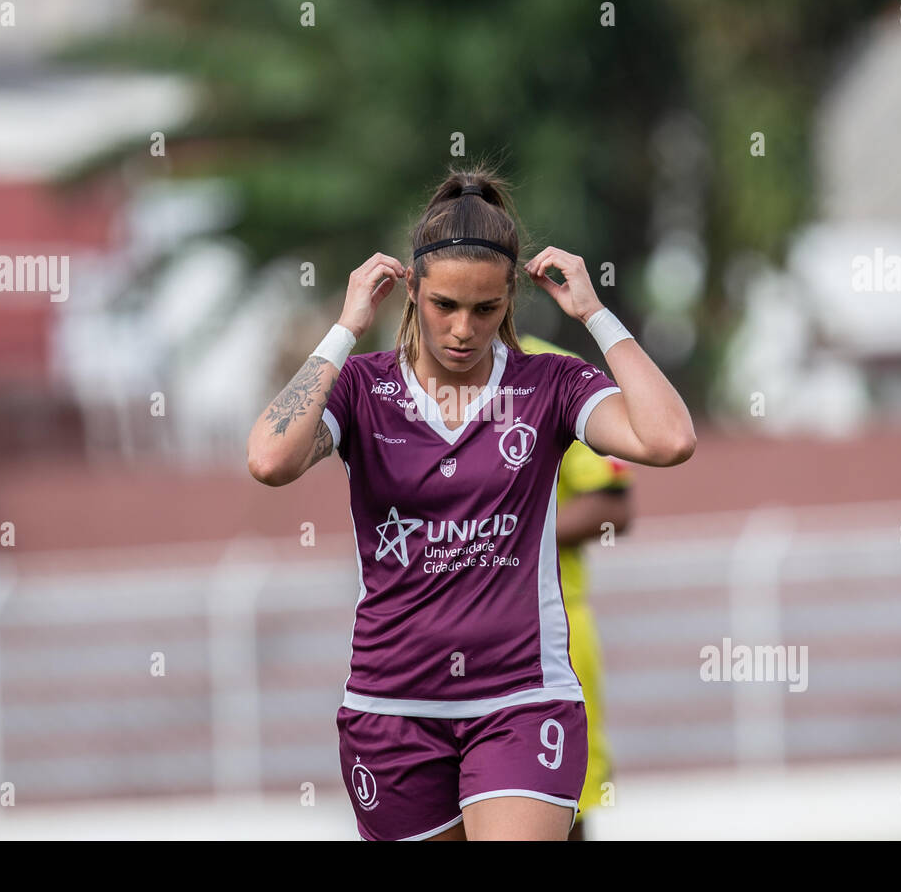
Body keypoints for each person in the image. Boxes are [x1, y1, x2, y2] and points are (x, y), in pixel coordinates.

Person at [247, 166, 695, 841]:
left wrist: (594, 315)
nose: (463, 329)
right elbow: (269, 459)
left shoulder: (552, 383)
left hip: (522, 700)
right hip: (391, 707)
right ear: (412, 291)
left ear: (510, 297)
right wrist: (344, 328)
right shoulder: (363, 389)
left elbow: (669, 439)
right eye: (444, 306)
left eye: (485, 309)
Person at [518, 333, 633, 841]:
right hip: (429, 658)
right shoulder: (396, 382)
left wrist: (500, 533)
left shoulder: (553, 373)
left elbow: (612, 504)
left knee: (560, 818)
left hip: (546, 645)